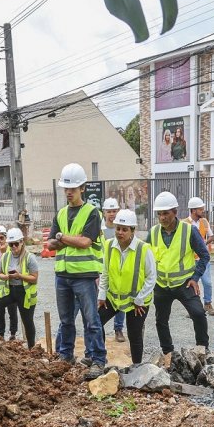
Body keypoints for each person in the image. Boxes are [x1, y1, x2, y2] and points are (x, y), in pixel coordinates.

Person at [48, 162, 106, 378]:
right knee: (66, 321)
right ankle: (66, 356)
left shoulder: (92, 212)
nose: (69, 192)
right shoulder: (61, 213)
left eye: (73, 188)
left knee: (91, 320)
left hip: (84, 276)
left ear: (82, 188)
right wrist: (65, 239)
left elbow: (85, 242)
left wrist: (62, 237)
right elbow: (50, 245)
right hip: (62, 275)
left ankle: (98, 359)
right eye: (66, 188)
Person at [149, 191, 211, 360]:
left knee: (198, 314)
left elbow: (205, 255)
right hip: (161, 285)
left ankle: (202, 350)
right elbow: (145, 258)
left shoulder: (189, 230)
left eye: (166, 213)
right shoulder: (153, 232)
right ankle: (168, 352)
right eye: (159, 214)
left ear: (175, 212)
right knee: (161, 320)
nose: (162, 217)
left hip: (184, 284)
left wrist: (195, 278)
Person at [98, 209, 156, 364]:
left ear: (132, 231)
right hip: (114, 297)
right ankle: (99, 359)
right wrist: (102, 295)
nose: (120, 232)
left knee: (134, 334)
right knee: (96, 323)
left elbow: (151, 277)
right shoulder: (109, 245)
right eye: (118, 228)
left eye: (124, 229)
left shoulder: (144, 249)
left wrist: (140, 299)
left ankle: (137, 367)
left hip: (136, 302)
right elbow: (105, 272)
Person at [0, 228, 38, 348]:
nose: (13, 247)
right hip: (9, 291)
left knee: (27, 322)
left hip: (24, 293)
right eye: (11, 244)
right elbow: (0, 273)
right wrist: (6, 276)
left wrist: (19, 276)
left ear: (22, 242)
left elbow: (34, 278)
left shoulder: (29, 258)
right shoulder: (6, 257)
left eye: (16, 244)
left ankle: (32, 349)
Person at [184, 196, 214, 316]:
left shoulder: (204, 221)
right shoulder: (184, 224)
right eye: (200, 209)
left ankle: (207, 304)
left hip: (203, 258)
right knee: (192, 283)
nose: (203, 211)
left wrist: (202, 244)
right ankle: (194, 308)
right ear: (193, 210)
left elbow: (211, 237)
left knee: (207, 282)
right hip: (190, 260)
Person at [101, 198, 126, 343]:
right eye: (109, 211)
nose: (112, 214)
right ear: (104, 212)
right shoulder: (100, 229)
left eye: (114, 211)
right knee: (102, 300)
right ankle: (100, 331)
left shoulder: (121, 228)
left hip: (120, 269)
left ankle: (118, 329)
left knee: (120, 299)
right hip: (104, 269)